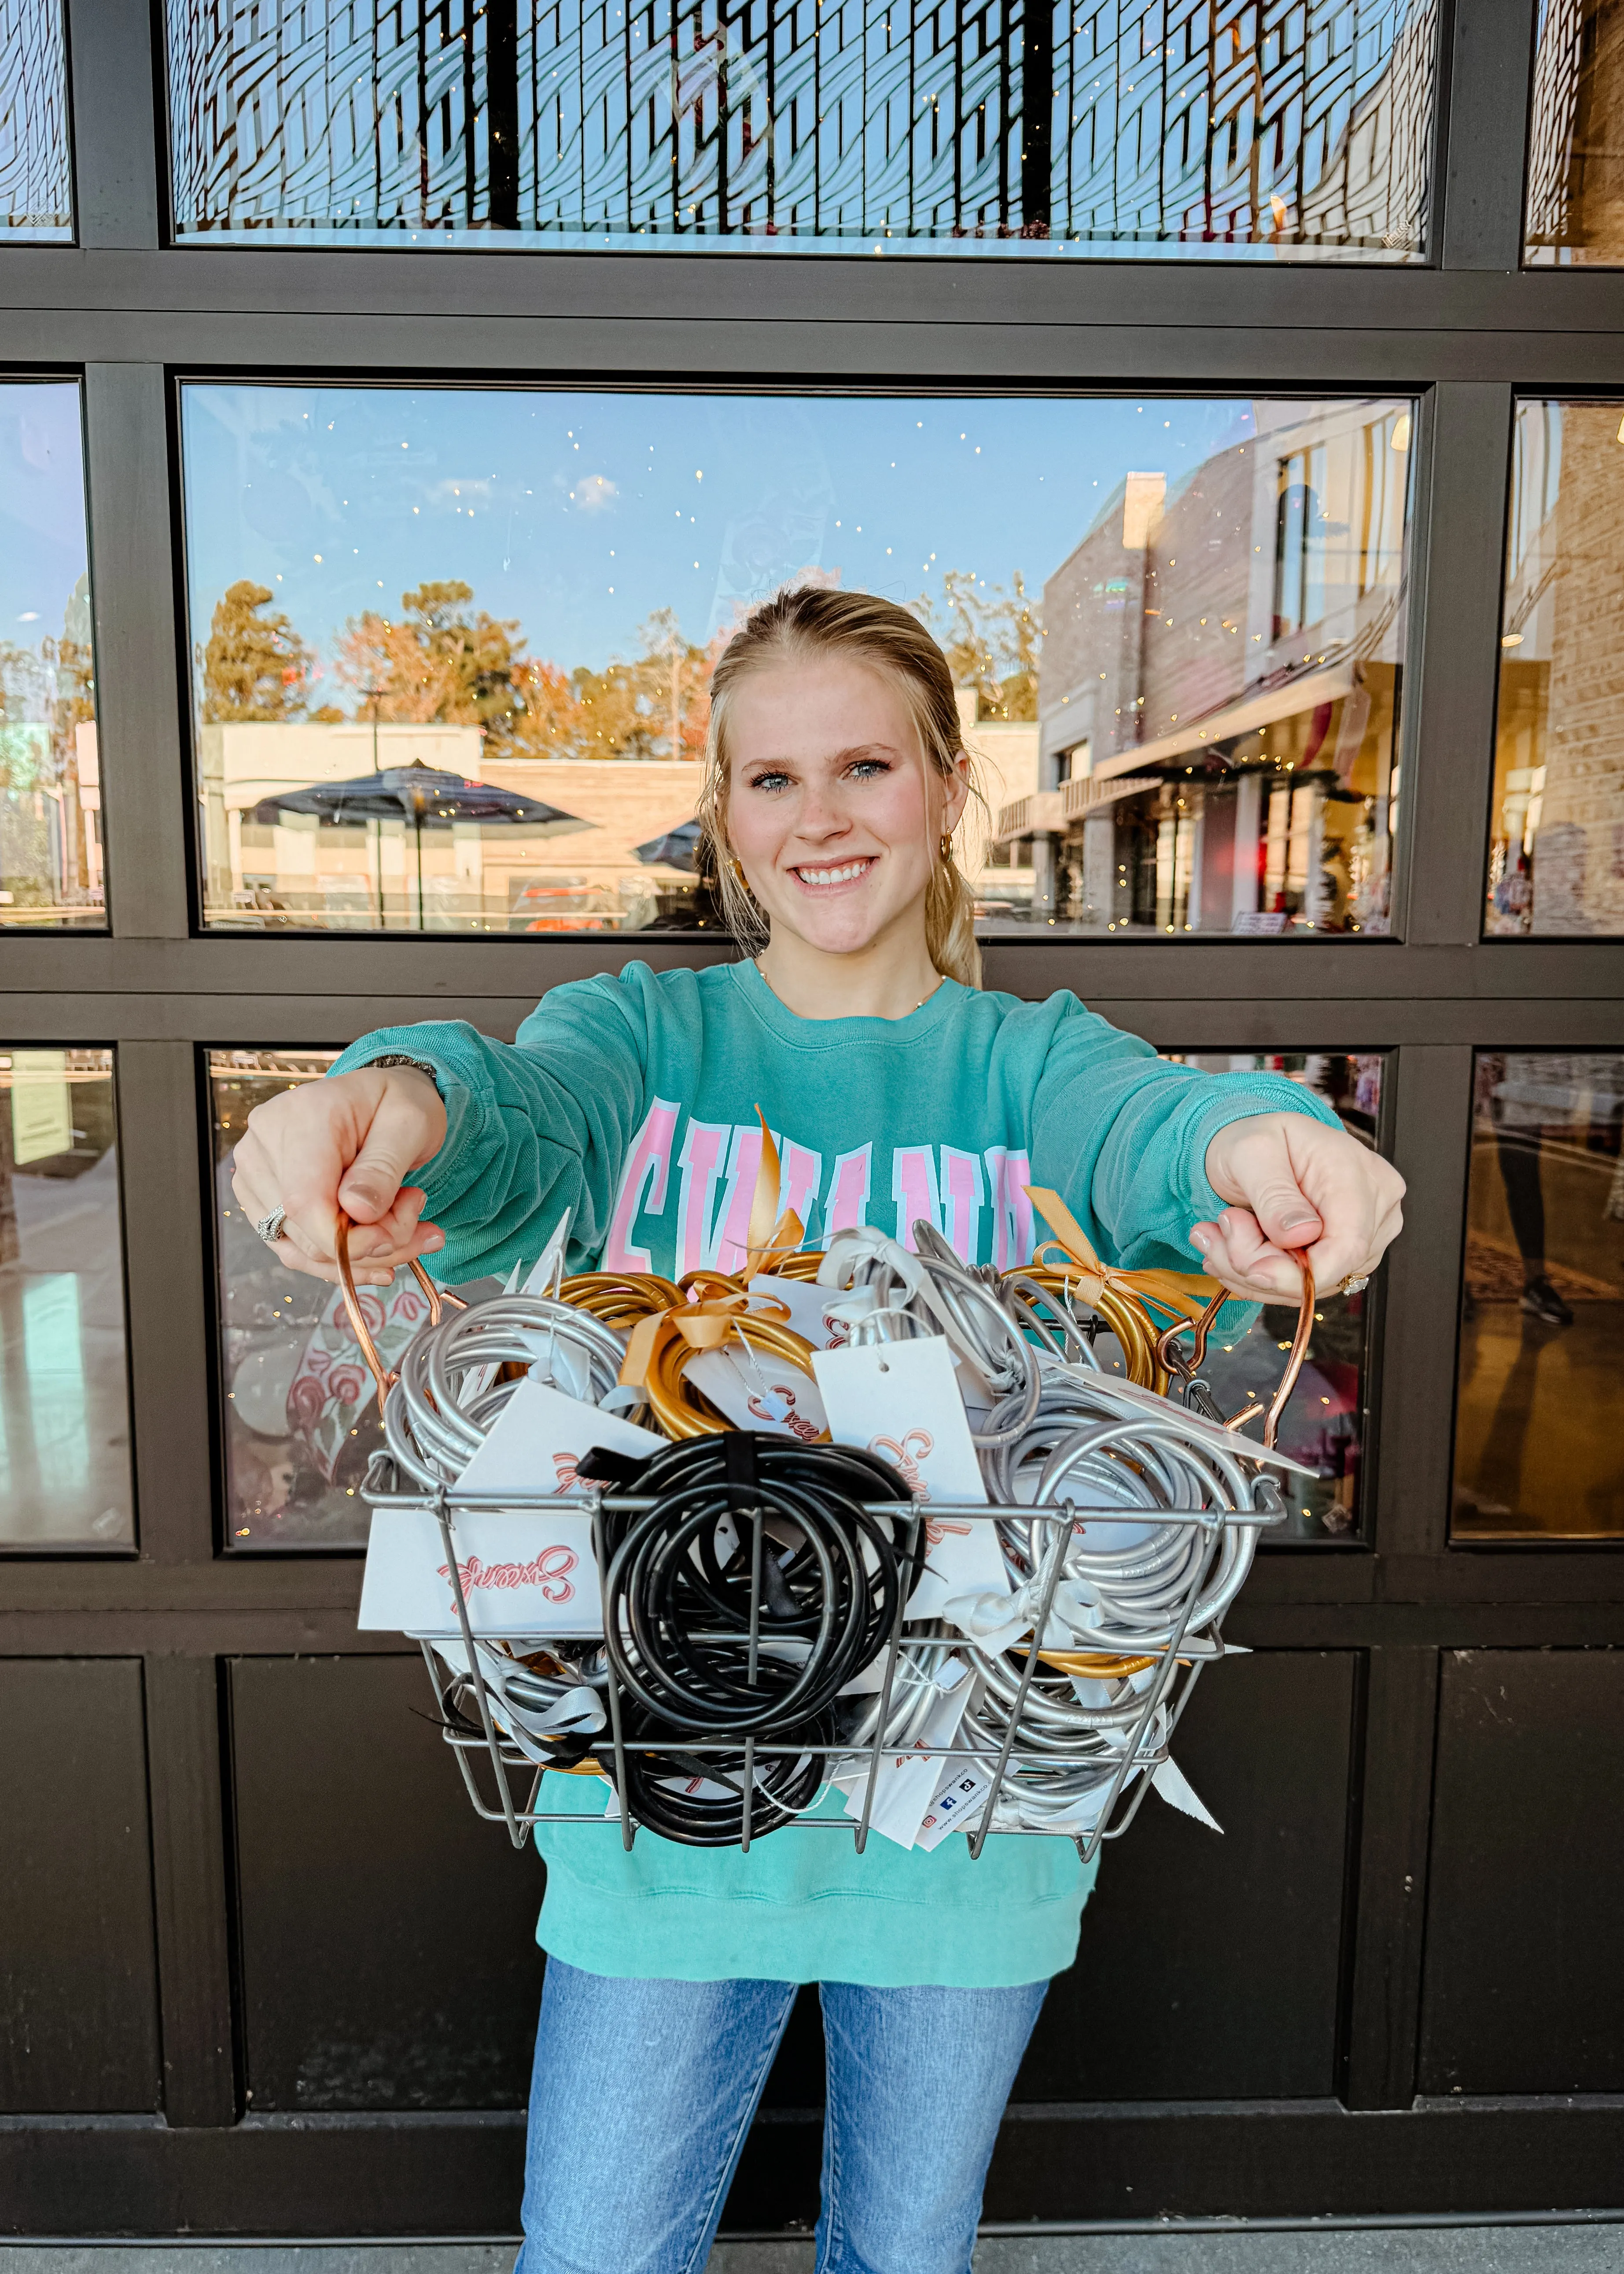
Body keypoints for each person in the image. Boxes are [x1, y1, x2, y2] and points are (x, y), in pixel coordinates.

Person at [232, 588, 1405, 2274]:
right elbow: (498, 1109)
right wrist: (378, 1103)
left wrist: (1269, 1149)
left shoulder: (1029, 1066)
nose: (820, 816)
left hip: (973, 1828)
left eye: (864, 763)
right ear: (724, 817)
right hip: (660, 1813)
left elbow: (1159, 1124)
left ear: (945, 789)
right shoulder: (643, 1040)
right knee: (596, 2254)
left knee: (901, 2257)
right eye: (769, 779)